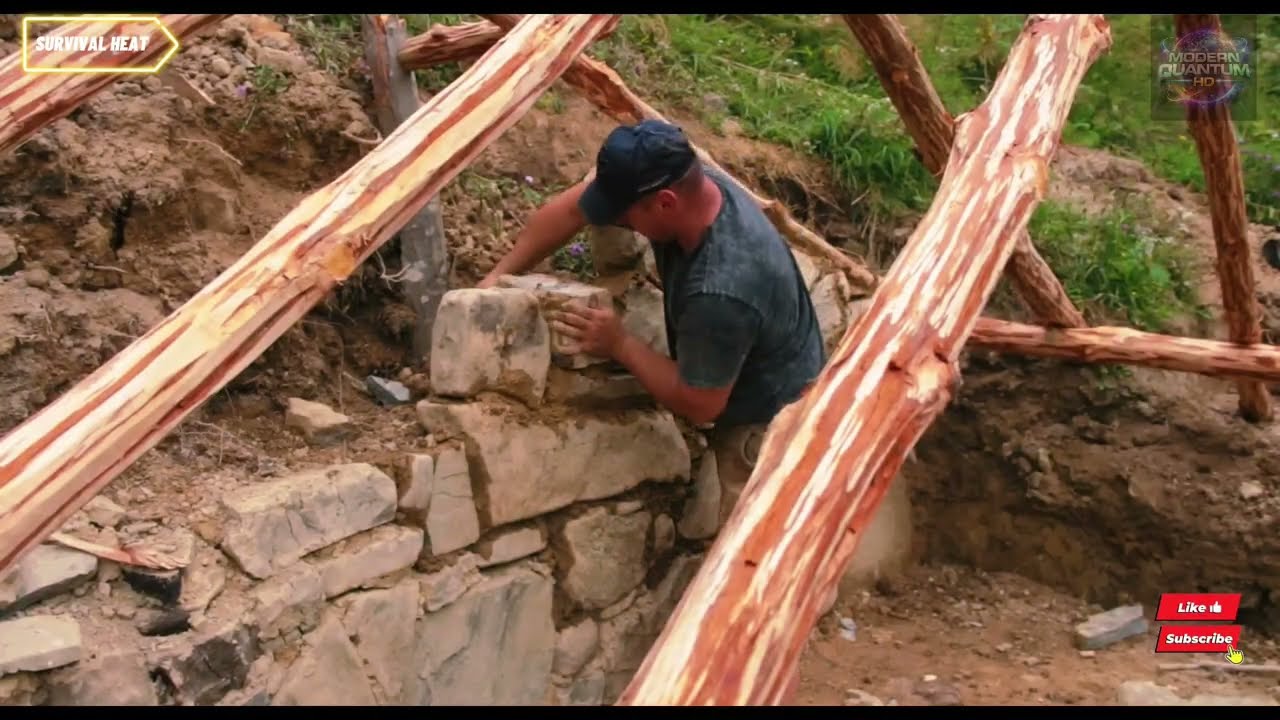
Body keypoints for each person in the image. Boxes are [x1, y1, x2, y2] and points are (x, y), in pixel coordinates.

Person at [478, 119, 826, 525]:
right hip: (766, 366)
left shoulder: (722, 289)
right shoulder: (691, 183)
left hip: (771, 425)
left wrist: (620, 344)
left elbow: (700, 403)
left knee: (759, 560)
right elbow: (574, 209)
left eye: (625, 217)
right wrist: (494, 279)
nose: (618, 223)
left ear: (664, 203)